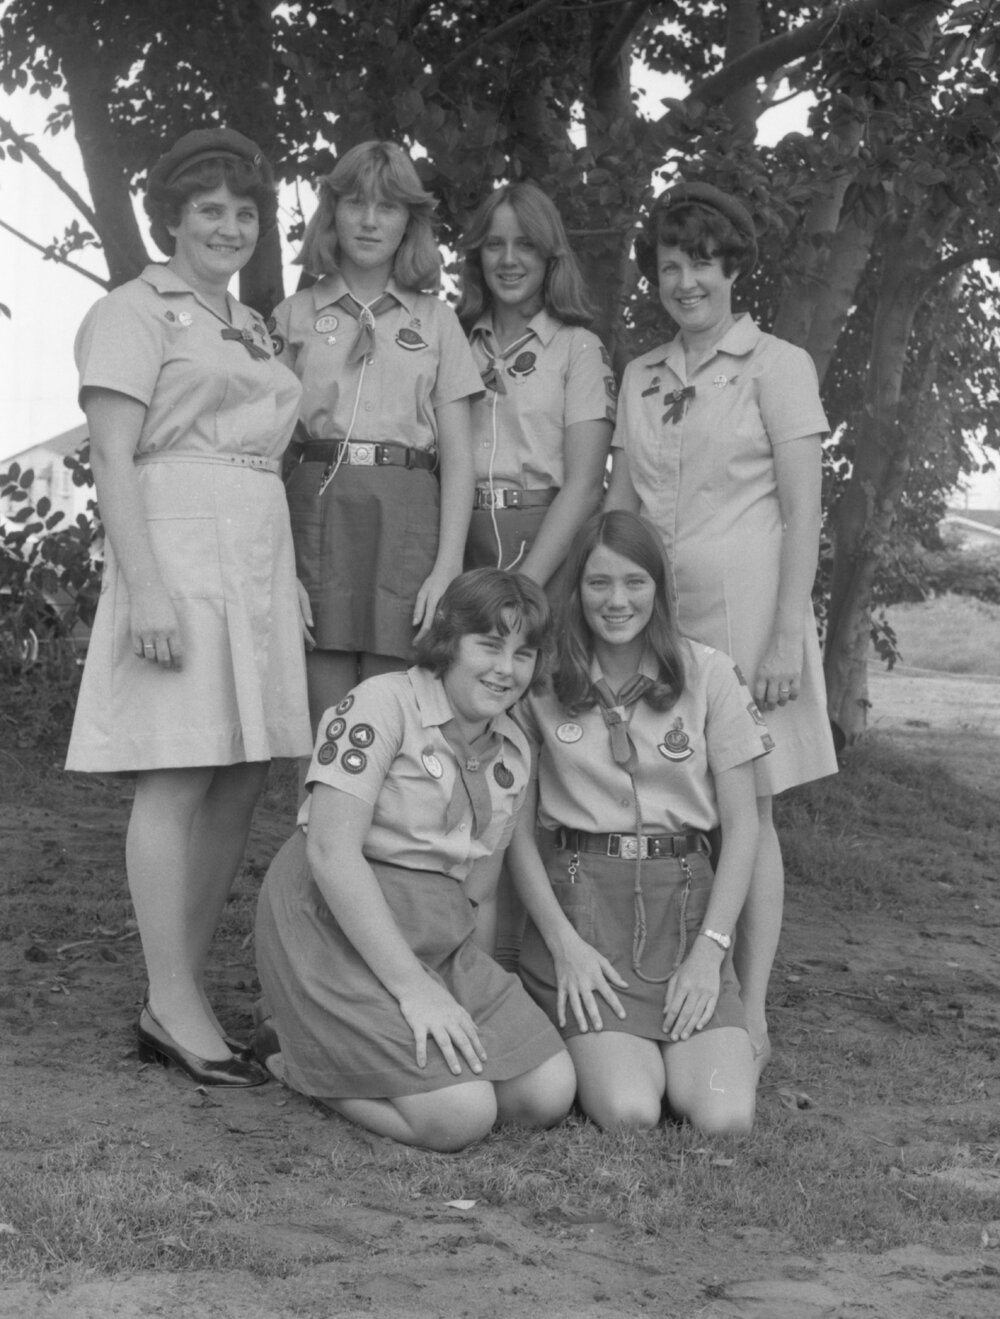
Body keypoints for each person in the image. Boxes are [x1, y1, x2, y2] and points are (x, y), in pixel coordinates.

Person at [66, 127, 312, 1088]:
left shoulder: (250, 322)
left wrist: (278, 569)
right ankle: (170, 1002)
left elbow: (260, 451)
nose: (229, 225)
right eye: (208, 209)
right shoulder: (133, 310)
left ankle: (184, 990)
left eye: (245, 211)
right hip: (173, 540)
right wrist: (146, 585)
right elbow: (112, 457)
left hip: (251, 552)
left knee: (243, 772)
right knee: (175, 774)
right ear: (170, 217)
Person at [605, 181, 838, 1073]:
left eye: (701, 261)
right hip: (655, 620)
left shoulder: (777, 366)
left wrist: (788, 631)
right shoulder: (640, 374)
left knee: (751, 811)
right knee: (669, 806)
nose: (686, 281)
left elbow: (802, 509)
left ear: (733, 266)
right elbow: (621, 509)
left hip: (746, 618)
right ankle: (667, 984)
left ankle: (753, 1008)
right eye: (669, 266)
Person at [254, 570, 576, 1151]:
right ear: (450, 640)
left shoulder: (515, 749)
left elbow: (477, 889)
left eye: (523, 653)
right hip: (334, 922)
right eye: (489, 646)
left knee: (545, 1093)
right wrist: (416, 991)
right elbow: (330, 853)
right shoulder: (381, 703)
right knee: (460, 1116)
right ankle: (293, 1059)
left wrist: (470, 993)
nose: (507, 669)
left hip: (435, 932)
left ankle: (395, 1061)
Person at [509, 511, 770, 1134]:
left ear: (660, 588)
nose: (616, 601)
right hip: (585, 911)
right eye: (598, 583)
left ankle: (714, 1037)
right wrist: (563, 946)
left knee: (723, 1118)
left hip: (684, 911)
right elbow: (516, 832)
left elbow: (744, 827)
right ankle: (603, 1044)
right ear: (575, 590)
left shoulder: (710, 674)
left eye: (634, 582)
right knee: (630, 1111)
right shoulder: (540, 681)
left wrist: (711, 953)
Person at [271, 142, 481, 737]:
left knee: (396, 719)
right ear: (331, 212)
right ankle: (328, 825)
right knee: (330, 722)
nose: (369, 220)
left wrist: (445, 569)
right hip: (316, 510)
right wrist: (280, 566)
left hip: (408, 516)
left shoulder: (437, 321)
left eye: (387, 207)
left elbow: (460, 460)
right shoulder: (293, 315)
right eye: (355, 202)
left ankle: (387, 829)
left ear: (409, 222)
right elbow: (267, 449)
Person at [457, 182, 615, 585]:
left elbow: (585, 486)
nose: (509, 260)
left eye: (526, 244)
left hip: (548, 545)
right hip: (461, 539)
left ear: (549, 254)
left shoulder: (579, 349)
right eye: (495, 244)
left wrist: (529, 582)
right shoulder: (453, 344)